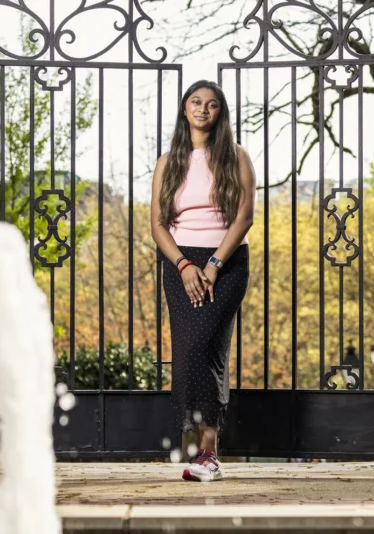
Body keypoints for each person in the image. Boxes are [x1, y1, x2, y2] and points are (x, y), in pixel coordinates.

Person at [150, 80, 255, 482]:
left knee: (206, 349)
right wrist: (183, 266)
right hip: (181, 265)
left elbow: (244, 217)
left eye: (211, 104)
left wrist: (212, 264)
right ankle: (201, 450)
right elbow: (158, 226)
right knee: (189, 353)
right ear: (185, 109)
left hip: (225, 263)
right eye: (196, 102)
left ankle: (208, 453)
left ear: (220, 113)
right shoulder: (168, 162)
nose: (203, 109)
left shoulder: (235, 156)